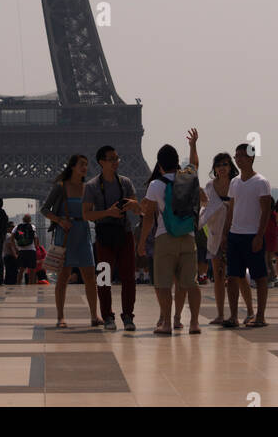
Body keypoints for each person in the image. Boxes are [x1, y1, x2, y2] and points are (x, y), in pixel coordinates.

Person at [138, 130, 202, 336]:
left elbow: (148, 217)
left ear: (159, 165)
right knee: (190, 283)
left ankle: (166, 323)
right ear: (177, 162)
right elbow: (195, 164)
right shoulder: (189, 177)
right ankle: (193, 323)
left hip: (165, 237)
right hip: (188, 236)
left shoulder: (156, 185)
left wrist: (141, 243)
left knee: (163, 284)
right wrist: (192, 145)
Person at [83, 144, 140, 332]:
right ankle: (107, 315)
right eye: (111, 159)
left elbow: (138, 208)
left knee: (128, 277)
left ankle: (128, 316)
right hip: (105, 236)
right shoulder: (91, 186)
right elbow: (86, 215)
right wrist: (108, 212)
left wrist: (132, 204)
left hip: (125, 233)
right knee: (104, 278)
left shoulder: (125, 182)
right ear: (101, 162)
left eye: (117, 158)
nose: (116, 162)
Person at [42, 154, 103, 329]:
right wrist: (60, 221)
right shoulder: (61, 187)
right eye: (81, 164)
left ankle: (94, 315)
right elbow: (44, 209)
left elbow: (93, 210)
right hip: (66, 234)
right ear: (73, 167)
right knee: (63, 277)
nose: (85, 167)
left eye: (86, 164)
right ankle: (60, 317)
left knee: (90, 277)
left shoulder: (88, 188)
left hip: (83, 233)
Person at [222, 142, 271, 329]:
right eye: (236, 156)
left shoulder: (261, 182)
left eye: (242, 155)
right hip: (235, 234)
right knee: (233, 277)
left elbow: (266, 211)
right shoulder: (234, 182)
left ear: (251, 158)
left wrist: (260, 235)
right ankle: (233, 315)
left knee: (259, 277)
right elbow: (231, 209)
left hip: (253, 235)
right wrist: (226, 234)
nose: (238, 159)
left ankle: (260, 315)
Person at [201, 153, 252, 325]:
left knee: (238, 275)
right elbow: (206, 208)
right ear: (214, 168)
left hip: (235, 233)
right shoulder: (210, 186)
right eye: (218, 165)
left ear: (230, 167)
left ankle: (250, 311)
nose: (222, 168)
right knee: (218, 274)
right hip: (216, 236)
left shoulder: (237, 184)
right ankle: (221, 314)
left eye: (225, 164)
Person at [13, 215, 37, 285]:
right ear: (30, 220)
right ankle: (31, 284)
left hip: (21, 250)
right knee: (32, 269)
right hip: (31, 250)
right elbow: (35, 238)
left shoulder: (17, 227)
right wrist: (35, 247)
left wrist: (16, 248)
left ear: (23, 219)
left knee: (21, 269)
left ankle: (18, 283)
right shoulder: (32, 226)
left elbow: (12, 238)